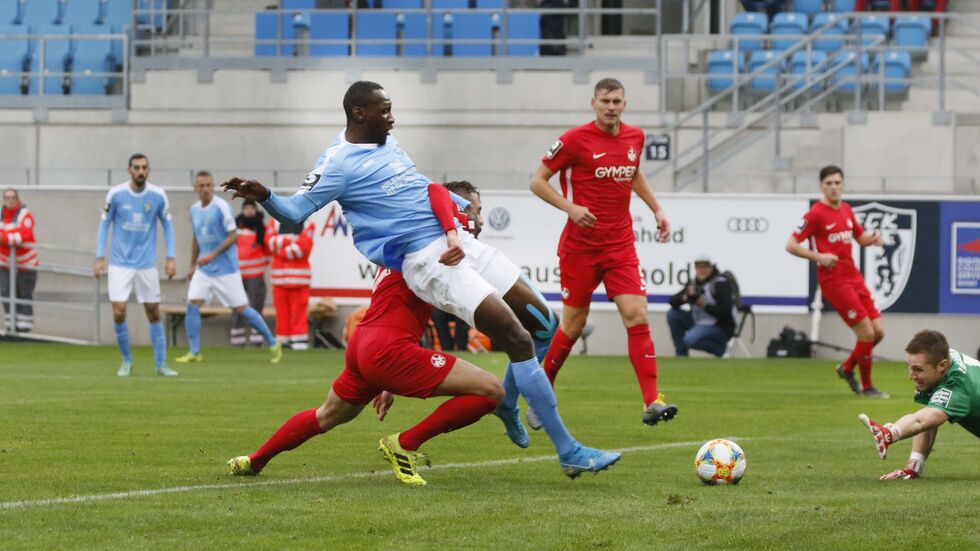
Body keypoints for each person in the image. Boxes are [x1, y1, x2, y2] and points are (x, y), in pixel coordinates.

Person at [222, 80, 620, 478]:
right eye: (386, 109)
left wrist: (463, 211)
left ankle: (513, 405)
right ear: (360, 113)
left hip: (449, 250)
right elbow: (294, 213)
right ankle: (567, 449)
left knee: (544, 324)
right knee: (515, 339)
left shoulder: (388, 144)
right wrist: (267, 195)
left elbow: (423, 186)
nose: (392, 117)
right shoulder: (338, 163)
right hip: (429, 259)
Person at [229, 187, 510, 485]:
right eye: (474, 208)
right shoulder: (437, 235)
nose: (479, 217)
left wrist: (387, 378)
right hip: (388, 347)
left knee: (327, 415)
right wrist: (461, 224)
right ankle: (405, 443)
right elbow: (437, 192)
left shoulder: (410, 239)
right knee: (492, 390)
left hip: (366, 344)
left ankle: (254, 460)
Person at [528, 77, 678, 429]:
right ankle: (540, 393)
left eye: (617, 101)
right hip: (580, 249)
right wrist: (570, 208)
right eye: (606, 101)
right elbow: (537, 181)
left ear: (625, 104)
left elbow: (633, 173)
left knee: (637, 314)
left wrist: (657, 209)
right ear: (593, 103)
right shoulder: (574, 140)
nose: (611, 107)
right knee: (573, 325)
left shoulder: (635, 137)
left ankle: (652, 401)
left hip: (620, 245)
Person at [786, 165, 887, 398]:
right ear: (821, 186)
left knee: (878, 332)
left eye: (837, 183)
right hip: (834, 282)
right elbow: (791, 245)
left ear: (843, 184)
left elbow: (859, 238)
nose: (833, 187)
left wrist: (872, 239)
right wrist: (819, 257)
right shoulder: (815, 214)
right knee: (866, 333)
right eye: (829, 183)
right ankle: (868, 387)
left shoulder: (847, 210)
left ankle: (847, 367)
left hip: (854, 277)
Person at [175, 171, 282, 365]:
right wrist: (193, 264)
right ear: (195, 188)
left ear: (213, 186)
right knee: (192, 305)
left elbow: (233, 236)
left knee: (243, 309)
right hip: (205, 270)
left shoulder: (221, 207)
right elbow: (196, 238)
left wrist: (211, 255)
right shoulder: (194, 210)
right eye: (201, 186)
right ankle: (194, 352)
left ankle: (273, 343)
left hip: (226, 270)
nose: (205, 189)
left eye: (209, 185)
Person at [95, 154, 177, 377]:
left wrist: (171, 257)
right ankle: (126, 361)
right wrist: (99, 256)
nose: (141, 171)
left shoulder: (158, 195)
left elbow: (168, 227)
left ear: (148, 170)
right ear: (129, 170)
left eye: (144, 167)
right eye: (137, 168)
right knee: (119, 311)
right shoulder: (116, 194)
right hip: (120, 264)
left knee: (153, 312)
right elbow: (104, 225)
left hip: (146, 264)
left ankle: (161, 365)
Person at [858, 330, 980, 480]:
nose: (911, 376)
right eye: (910, 367)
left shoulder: (958, 388)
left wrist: (891, 432)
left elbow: (922, 420)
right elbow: (928, 416)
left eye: (918, 369)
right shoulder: (944, 360)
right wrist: (914, 467)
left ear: (942, 365)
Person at [666, 255, 736, 357]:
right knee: (672, 314)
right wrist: (686, 297)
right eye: (699, 267)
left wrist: (704, 304)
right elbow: (672, 301)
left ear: (712, 268)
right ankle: (681, 355)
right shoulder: (693, 283)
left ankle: (721, 350)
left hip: (718, 326)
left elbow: (725, 312)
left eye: (705, 267)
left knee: (689, 339)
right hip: (698, 322)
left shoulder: (720, 283)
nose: (701, 271)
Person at [265, 217, 316, 350]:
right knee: (281, 313)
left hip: (299, 280)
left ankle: (299, 343)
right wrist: (290, 242)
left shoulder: (308, 225)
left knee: (298, 313)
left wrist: (280, 249)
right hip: (279, 279)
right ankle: (283, 341)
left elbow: (303, 248)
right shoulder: (274, 223)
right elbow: (269, 243)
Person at [231, 200, 270, 346]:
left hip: (256, 275)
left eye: (251, 208)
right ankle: (237, 340)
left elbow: (267, 251)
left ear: (256, 209)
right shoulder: (235, 227)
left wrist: (261, 266)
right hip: (237, 275)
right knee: (237, 307)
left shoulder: (261, 228)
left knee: (256, 307)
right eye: (246, 208)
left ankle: (256, 340)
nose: (249, 211)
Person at [1, 188, 38, 333]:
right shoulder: (1, 214)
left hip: (25, 263)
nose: (9, 200)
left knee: (24, 294)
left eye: (12, 197)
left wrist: (4, 237)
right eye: (7, 197)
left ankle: (24, 330)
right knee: (5, 292)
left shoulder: (25, 214)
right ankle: (11, 326)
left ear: (17, 199)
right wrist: (11, 236)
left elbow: (24, 236)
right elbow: (16, 235)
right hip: (5, 263)